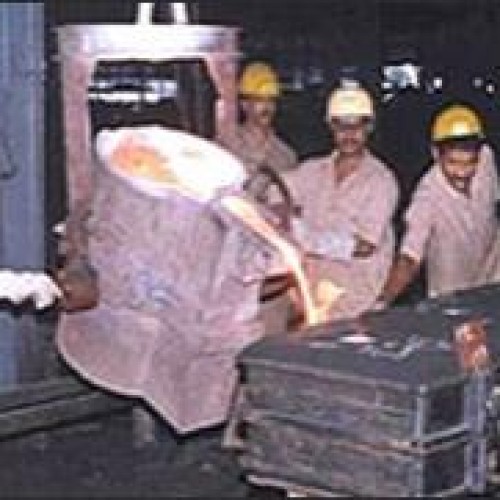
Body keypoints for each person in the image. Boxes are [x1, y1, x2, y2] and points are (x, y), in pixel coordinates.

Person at [284, 81, 399, 322]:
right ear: (330, 127)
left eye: (357, 126)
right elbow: (276, 190)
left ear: (369, 128)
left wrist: (309, 240)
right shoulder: (311, 172)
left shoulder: (381, 181)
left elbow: (366, 246)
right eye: (342, 126)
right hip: (313, 302)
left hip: (357, 307)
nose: (349, 134)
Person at [377, 104, 500, 306]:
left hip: (494, 281)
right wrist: (383, 301)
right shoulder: (426, 198)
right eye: (452, 163)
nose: (462, 173)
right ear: (436, 154)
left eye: (470, 162)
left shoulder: (487, 158)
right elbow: (409, 258)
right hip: (451, 299)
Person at [217, 61, 298, 205]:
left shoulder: (286, 156)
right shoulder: (227, 146)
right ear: (244, 104)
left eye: (270, 100)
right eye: (259, 100)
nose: (266, 107)